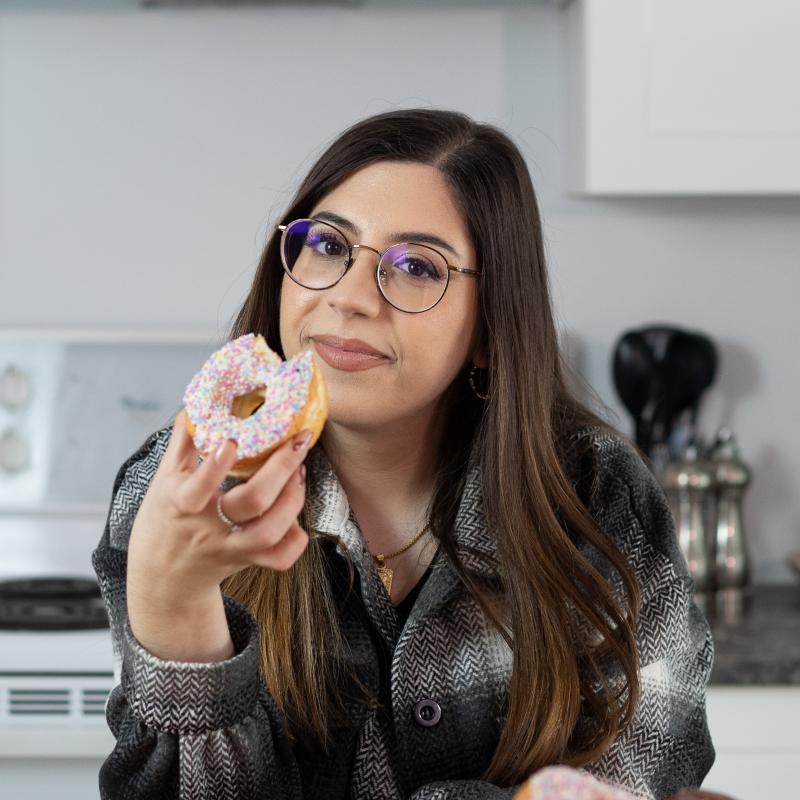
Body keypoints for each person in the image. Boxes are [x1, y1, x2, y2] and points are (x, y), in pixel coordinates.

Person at [92, 108, 715, 800]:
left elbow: (647, 770)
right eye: (327, 245)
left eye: (417, 266)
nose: (349, 297)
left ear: (490, 327)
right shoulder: (173, 490)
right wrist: (176, 612)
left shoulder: (598, 495)